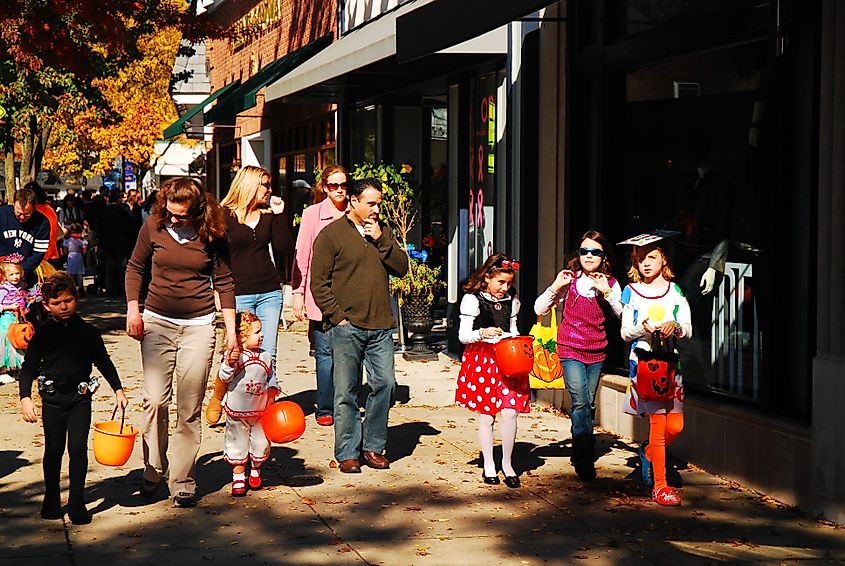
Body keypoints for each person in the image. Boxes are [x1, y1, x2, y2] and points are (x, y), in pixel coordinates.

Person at [125, 177, 237, 508]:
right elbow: (135, 268)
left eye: (183, 215)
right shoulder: (153, 226)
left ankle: (183, 478)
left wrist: (231, 332)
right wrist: (134, 310)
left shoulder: (213, 233)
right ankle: (155, 467)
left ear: (198, 210)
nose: (176, 219)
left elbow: (226, 282)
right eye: (171, 213)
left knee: (189, 408)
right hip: (157, 321)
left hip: (199, 325)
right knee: (156, 400)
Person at [310, 178, 408, 474]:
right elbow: (319, 283)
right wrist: (337, 317)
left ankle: (373, 446)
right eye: (371, 203)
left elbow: (401, 268)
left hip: (380, 325)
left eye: (379, 203)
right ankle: (347, 452)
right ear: (353, 201)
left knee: (385, 385)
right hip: (346, 326)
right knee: (346, 392)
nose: (376, 209)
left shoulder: (383, 231)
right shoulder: (331, 235)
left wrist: (381, 239)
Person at [19, 272, 129, 524]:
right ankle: (52, 498)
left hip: (80, 399)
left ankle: (77, 501)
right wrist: (25, 396)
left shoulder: (88, 332)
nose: (64, 306)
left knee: (78, 449)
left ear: (75, 299)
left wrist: (118, 389)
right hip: (52, 399)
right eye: (57, 303)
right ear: (46, 305)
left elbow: (103, 360)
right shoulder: (43, 335)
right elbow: (29, 367)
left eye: (68, 300)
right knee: (54, 449)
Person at [533, 231, 623, 481]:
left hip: (596, 351)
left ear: (604, 256)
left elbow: (626, 316)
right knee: (580, 401)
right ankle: (584, 458)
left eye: (595, 251)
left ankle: (580, 447)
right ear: (578, 255)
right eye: (584, 251)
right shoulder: (570, 280)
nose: (589, 256)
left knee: (589, 403)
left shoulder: (611, 284)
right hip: (569, 348)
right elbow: (539, 309)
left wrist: (607, 292)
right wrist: (554, 286)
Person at [205, 166, 291, 425]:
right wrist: (217, 289)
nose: (269, 189)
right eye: (265, 184)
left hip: (269, 291)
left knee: (268, 352)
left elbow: (284, 248)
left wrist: (279, 216)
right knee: (234, 352)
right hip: (237, 291)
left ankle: (264, 407)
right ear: (251, 185)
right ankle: (219, 396)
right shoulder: (225, 217)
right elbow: (214, 256)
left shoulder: (268, 217)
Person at [620, 236, 692, 507]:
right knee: (658, 424)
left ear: (664, 259)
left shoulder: (676, 292)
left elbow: (689, 328)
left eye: (651, 257)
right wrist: (643, 328)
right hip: (644, 367)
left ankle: (649, 453)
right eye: (639, 258)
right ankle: (661, 486)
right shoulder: (631, 292)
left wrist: (676, 326)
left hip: (672, 365)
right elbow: (625, 332)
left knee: (676, 425)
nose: (644, 263)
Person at [455, 253, 527, 488]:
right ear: (487, 277)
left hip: (508, 359)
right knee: (487, 414)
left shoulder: (512, 301)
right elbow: (463, 336)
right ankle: (488, 463)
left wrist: (515, 340)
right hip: (484, 360)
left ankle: (507, 463)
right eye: (500, 282)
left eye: (509, 283)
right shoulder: (473, 300)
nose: (505, 288)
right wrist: (481, 333)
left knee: (510, 412)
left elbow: (513, 330)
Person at [291, 164, 349, 426]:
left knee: (348, 353)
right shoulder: (313, 214)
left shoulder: (354, 213)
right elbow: (302, 256)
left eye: (343, 185)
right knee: (325, 354)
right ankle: (326, 407)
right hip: (321, 295)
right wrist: (298, 293)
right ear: (325, 187)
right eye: (334, 185)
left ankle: (344, 403)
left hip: (350, 295)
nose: (339, 190)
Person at [218, 311, 278, 496]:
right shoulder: (236, 357)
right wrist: (228, 362)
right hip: (237, 411)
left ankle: (255, 471)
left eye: (261, 332)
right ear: (241, 337)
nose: (261, 336)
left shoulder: (266, 356)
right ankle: (238, 479)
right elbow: (224, 377)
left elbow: (270, 376)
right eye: (256, 332)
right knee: (237, 444)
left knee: (261, 443)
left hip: (260, 411)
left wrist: (273, 389)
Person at [0, 188, 51, 286]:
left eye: (27, 214)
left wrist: (20, 272)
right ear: (13, 203)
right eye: (18, 213)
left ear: (34, 208)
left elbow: (39, 253)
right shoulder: (2, 214)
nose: (22, 217)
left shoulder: (42, 222)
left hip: (26, 274)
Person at [0, 255, 36, 384]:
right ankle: (4, 370)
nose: (15, 276)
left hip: (18, 318)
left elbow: (23, 301)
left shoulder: (21, 286)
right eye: (12, 274)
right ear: (5, 276)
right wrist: (9, 306)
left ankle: (18, 369)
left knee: (19, 342)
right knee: (7, 343)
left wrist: (28, 302)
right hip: (6, 320)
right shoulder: (3, 289)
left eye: (17, 273)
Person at [99, 189, 136, 297]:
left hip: (108, 243)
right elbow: (131, 225)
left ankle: (111, 289)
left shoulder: (105, 211)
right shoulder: (123, 210)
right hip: (121, 242)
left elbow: (101, 228)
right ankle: (122, 288)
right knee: (122, 267)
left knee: (110, 266)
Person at [26, 182, 62, 272]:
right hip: (53, 255)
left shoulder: (36, 212)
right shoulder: (50, 210)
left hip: (41, 258)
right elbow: (59, 232)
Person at [62, 223, 88, 292]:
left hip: (71, 256)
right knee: (80, 273)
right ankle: (81, 287)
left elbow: (65, 250)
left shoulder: (67, 240)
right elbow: (84, 250)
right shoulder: (81, 240)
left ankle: (72, 288)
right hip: (79, 255)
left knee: (71, 273)